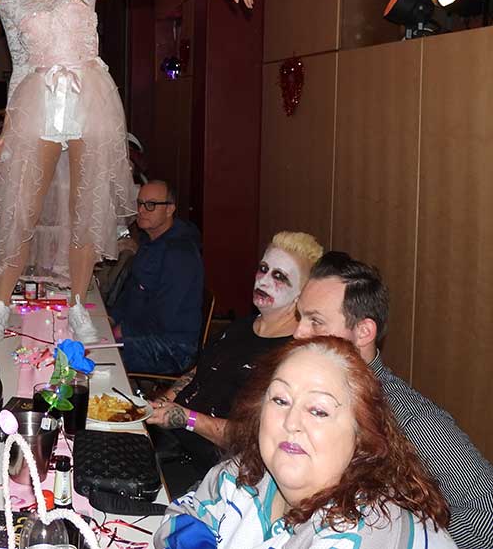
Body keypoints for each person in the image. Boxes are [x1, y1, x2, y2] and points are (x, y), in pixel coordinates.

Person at [0, 0, 254, 344]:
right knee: (22, 207)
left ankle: (76, 303)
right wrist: (7, 129)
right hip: (39, 101)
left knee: (85, 209)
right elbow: (20, 66)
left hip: (89, 101)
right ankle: (0, 304)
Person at [155, 336, 456, 548]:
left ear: (361, 435)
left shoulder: (363, 530)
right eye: (280, 400)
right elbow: (182, 517)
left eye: (318, 411)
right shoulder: (243, 475)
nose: (291, 422)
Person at [295, 253, 493, 546]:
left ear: (364, 332)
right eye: (300, 317)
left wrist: (397, 538)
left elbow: (487, 520)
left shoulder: (411, 418)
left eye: (316, 321)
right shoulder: (297, 392)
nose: (298, 332)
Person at [145, 231, 323, 494]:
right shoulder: (241, 326)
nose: (264, 280)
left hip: (211, 474)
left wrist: (187, 419)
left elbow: (256, 436)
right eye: (263, 269)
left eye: (279, 276)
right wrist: (163, 402)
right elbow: (201, 371)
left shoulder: (291, 356)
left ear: (301, 294)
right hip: (170, 443)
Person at [109, 180, 203, 375]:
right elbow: (131, 291)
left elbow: (163, 316)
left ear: (170, 209)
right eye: (140, 203)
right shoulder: (150, 240)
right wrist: (112, 318)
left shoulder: (180, 253)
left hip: (174, 347)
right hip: (147, 332)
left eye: (151, 205)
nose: (142, 210)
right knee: (93, 339)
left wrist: (123, 330)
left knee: (98, 354)